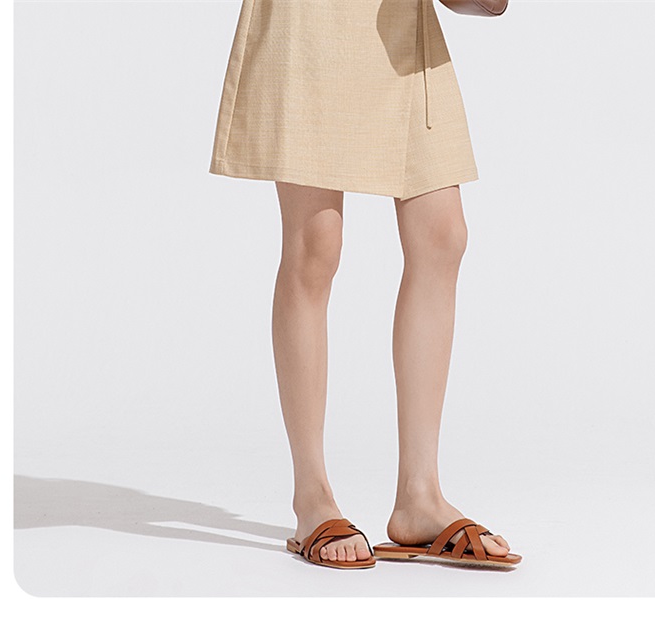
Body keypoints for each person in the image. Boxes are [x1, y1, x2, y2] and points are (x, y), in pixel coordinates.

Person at [209, 0, 521, 570]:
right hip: (308, 23)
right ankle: (312, 497)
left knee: (442, 236)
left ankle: (419, 498)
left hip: (401, 23)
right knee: (316, 246)